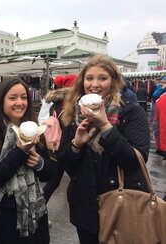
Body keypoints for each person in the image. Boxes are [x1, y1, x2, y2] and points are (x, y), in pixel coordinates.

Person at [57, 54, 150, 243]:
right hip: (84, 208)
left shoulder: (131, 112)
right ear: (82, 81)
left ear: (114, 81)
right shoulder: (70, 114)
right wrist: (76, 145)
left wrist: (105, 126)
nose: (95, 84)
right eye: (89, 78)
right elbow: (64, 161)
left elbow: (135, 161)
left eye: (102, 78)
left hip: (121, 205)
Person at [0, 77, 52, 243]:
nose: (19, 102)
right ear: (1, 101)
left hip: (35, 215)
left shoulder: (35, 130)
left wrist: (40, 164)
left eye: (24, 97)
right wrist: (20, 151)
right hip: (5, 218)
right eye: (12, 98)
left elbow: (48, 174)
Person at [40, 74, 77, 203]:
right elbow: (70, 130)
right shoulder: (71, 105)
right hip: (66, 149)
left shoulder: (55, 104)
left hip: (54, 147)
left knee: (53, 182)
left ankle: (36, 212)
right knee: (78, 180)